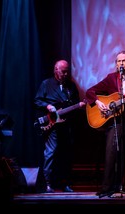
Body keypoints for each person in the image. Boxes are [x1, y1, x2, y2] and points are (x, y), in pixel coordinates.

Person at [85, 50, 125, 197]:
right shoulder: (111, 78)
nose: (121, 63)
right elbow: (90, 92)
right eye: (118, 61)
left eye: (124, 61)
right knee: (111, 152)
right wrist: (98, 102)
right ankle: (107, 188)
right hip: (114, 119)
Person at [34, 59, 85, 193]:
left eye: (68, 71)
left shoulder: (71, 87)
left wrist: (78, 106)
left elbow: (75, 104)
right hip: (53, 125)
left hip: (67, 125)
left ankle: (66, 183)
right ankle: (47, 183)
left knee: (67, 154)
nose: (66, 74)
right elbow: (37, 100)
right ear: (56, 70)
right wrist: (48, 106)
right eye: (63, 71)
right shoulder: (46, 84)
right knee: (51, 152)